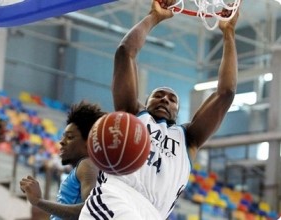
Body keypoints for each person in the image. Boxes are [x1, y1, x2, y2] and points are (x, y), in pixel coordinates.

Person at [79, 0, 239, 219]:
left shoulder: (188, 138)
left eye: (172, 99)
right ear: (146, 101)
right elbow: (125, 53)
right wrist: (154, 17)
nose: (165, 99)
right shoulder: (133, 115)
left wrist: (228, 33)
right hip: (117, 198)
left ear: (178, 110)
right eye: (158, 95)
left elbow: (226, 93)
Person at [20, 101, 106, 220]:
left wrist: (39, 201)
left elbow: (89, 210)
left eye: (70, 137)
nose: (62, 141)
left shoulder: (87, 164)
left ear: (89, 142)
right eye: (63, 136)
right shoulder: (83, 167)